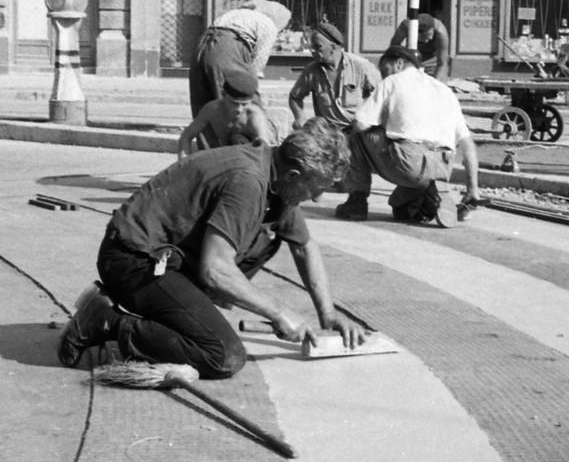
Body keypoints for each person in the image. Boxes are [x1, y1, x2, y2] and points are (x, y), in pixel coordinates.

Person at [57, 119, 366, 377]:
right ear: (294, 175)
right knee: (223, 355)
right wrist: (280, 312)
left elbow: (304, 246)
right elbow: (215, 269)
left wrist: (328, 315)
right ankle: (106, 321)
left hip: (164, 259)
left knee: (265, 241)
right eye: (317, 189)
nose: (317, 199)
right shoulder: (248, 181)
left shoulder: (277, 175)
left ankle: (180, 318)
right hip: (131, 260)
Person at [334, 45, 481, 226]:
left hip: (409, 164)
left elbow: (360, 123)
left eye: (384, 70)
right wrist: (472, 188)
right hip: (443, 167)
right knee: (400, 211)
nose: (383, 76)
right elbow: (468, 145)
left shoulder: (392, 82)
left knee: (355, 134)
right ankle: (432, 197)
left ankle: (356, 201)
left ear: (399, 63)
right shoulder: (444, 90)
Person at [190, 0, 292, 115]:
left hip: (202, 45)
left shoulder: (236, 13)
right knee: (238, 100)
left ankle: (204, 132)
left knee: (203, 104)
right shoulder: (268, 25)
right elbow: (257, 65)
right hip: (227, 49)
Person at [288, 21, 380, 130]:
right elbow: (295, 97)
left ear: (332, 47)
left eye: (318, 47)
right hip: (328, 134)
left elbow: (382, 95)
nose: (312, 50)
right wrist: (299, 117)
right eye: (312, 46)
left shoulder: (361, 66)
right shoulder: (311, 71)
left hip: (357, 132)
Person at [178, 69, 277, 159]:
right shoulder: (212, 110)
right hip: (224, 155)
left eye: (244, 104)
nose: (239, 109)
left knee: (238, 140)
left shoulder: (255, 118)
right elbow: (186, 136)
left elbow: (265, 153)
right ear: (223, 95)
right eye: (234, 103)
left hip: (251, 158)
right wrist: (183, 166)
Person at [388, 13, 451, 81]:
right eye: (423, 37)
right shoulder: (406, 26)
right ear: (415, 32)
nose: (427, 40)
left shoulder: (440, 32)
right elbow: (394, 47)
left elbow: (442, 63)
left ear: (433, 29)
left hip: (433, 63)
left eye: (429, 35)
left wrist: (436, 86)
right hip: (411, 59)